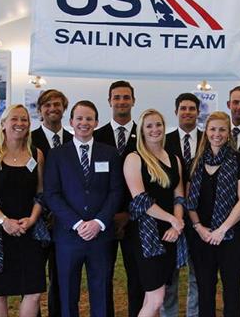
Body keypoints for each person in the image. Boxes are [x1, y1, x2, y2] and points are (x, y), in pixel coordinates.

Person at [44, 100, 123, 317]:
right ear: (71, 122)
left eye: (89, 118)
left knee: (102, 292)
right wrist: (78, 224)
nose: (84, 123)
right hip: (68, 236)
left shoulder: (110, 153)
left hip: (100, 236)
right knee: (68, 295)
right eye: (79, 118)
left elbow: (116, 192)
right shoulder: (57, 155)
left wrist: (98, 223)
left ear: (96, 122)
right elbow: (52, 194)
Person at [0, 104, 48, 317]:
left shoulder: (37, 154)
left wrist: (32, 219)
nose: (20, 124)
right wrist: (4, 221)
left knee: (33, 292)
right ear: (3, 123)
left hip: (29, 232)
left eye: (24, 119)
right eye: (14, 119)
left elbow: (41, 194)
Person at [186, 111, 240, 317]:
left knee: (232, 289)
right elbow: (188, 202)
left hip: (230, 236)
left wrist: (222, 230)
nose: (217, 134)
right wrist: (199, 228)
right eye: (213, 129)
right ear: (206, 132)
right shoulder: (195, 162)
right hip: (201, 236)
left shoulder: (239, 160)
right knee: (205, 289)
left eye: (222, 129)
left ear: (228, 133)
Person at [124, 108, 187, 317]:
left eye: (158, 124)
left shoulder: (174, 159)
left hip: (170, 232)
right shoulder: (134, 158)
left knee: (154, 297)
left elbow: (179, 195)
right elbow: (141, 200)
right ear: (141, 130)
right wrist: (171, 219)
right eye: (149, 126)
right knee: (156, 297)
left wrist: (176, 223)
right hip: (146, 235)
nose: (154, 129)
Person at [93, 80, 140, 316]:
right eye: (117, 97)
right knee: (103, 276)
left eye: (126, 97)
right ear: (109, 101)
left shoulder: (145, 134)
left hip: (137, 218)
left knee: (137, 277)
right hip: (104, 218)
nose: (121, 101)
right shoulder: (96, 136)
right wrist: (108, 215)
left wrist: (130, 213)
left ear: (133, 100)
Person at [30, 88, 72, 316]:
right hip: (37, 219)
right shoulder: (28, 140)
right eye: (47, 105)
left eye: (57, 104)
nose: (53, 108)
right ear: (40, 110)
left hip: (65, 221)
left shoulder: (74, 140)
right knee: (35, 278)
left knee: (60, 277)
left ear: (64, 108)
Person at [163, 92, 202, 317]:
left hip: (201, 217)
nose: (187, 112)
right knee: (170, 275)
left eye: (191, 108)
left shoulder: (210, 138)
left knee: (198, 274)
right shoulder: (164, 141)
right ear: (176, 111)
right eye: (183, 108)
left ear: (198, 112)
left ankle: (193, 314)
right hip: (171, 216)